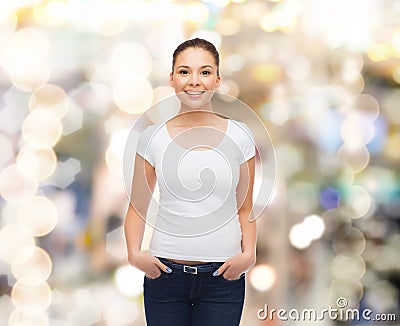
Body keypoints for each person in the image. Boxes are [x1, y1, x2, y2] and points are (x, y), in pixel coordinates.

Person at [124, 38, 256, 326]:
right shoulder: (152, 138)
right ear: (171, 79)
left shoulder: (240, 135)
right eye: (184, 72)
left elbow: (245, 208)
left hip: (224, 279)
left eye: (205, 72)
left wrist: (249, 255)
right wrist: (135, 255)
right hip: (166, 277)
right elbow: (137, 207)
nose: (194, 81)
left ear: (218, 80)